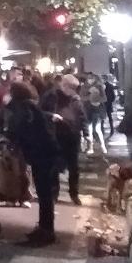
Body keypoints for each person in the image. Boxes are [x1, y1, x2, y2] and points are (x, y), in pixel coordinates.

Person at [4, 81, 61, 245]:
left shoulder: (24, 108)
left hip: (41, 154)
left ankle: (46, 231)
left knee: (44, 194)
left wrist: (9, 137)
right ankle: (44, 227)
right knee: (44, 194)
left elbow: (20, 128)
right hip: (43, 153)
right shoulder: (29, 106)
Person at [43, 74, 85, 205]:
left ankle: (74, 194)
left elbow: (82, 116)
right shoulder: (51, 96)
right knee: (54, 166)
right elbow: (40, 112)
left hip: (73, 136)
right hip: (56, 135)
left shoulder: (75, 99)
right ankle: (54, 193)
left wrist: (86, 133)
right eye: (71, 88)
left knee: (74, 168)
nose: (73, 92)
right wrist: (51, 116)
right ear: (64, 85)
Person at [83, 76, 108, 155]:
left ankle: (102, 146)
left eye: (92, 78)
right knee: (89, 128)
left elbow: (104, 98)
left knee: (97, 128)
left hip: (97, 110)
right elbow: (82, 97)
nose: (90, 80)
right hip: (88, 109)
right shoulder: (85, 87)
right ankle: (91, 147)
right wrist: (90, 97)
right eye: (89, 78)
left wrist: (96, 98)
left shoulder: (99, 87)